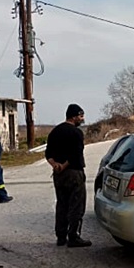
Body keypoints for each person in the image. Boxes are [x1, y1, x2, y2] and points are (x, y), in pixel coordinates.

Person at [45, 103, 92, 247]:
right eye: (81, 116)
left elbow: (48, 153)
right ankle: (74, 236)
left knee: (62, 205)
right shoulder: (76, 133)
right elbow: (75, 155)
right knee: (76, 205)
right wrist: (64, 166)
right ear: (74, 116)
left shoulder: (55, 131)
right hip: (73, 173)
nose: (82, 119)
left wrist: (55, 166)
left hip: (58, 175)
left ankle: (60, 236)